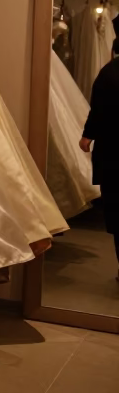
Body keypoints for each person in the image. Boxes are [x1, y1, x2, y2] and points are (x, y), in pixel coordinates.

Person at [81, 36, 119, 277]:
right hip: (113, 153)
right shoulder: (109, 73)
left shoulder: (109, 73)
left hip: (112, 155)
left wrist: (88, 134)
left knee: (117, 214)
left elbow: (98, 109)